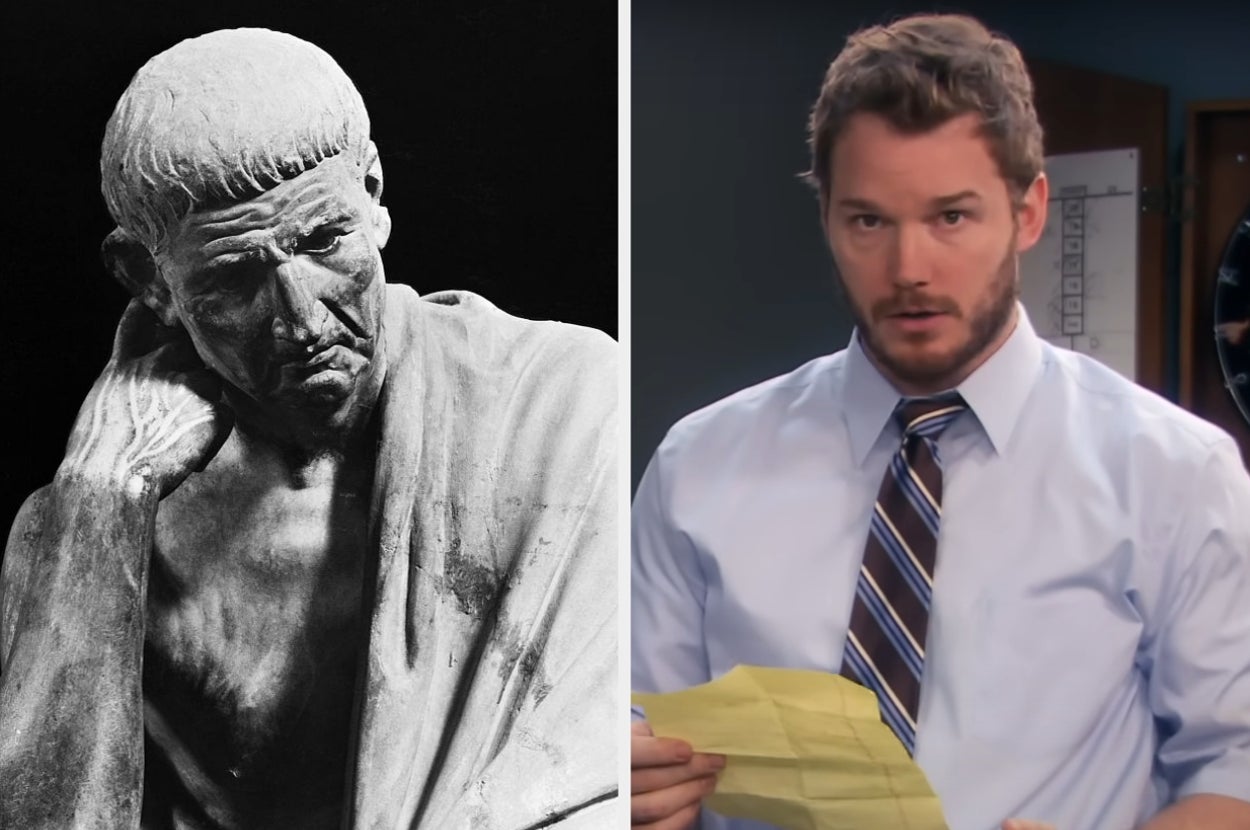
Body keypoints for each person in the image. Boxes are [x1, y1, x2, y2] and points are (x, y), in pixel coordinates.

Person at [631, 13, 1250, 830]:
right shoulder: (697, 466)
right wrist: (625, 788)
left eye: (951, 217)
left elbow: (1233, 768)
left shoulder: (1174, 470)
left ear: (1029, 213)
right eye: (869, 221)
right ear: (828, 221)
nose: (909, 269)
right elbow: (631, 725)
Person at [0, 29, 617, 829]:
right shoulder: (95, 530)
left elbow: (607, 766)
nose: (300, 318)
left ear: (374, 192)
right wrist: (100, 498)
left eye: (325, 240)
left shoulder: (561, 404)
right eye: (233, 278)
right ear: (148, 280)